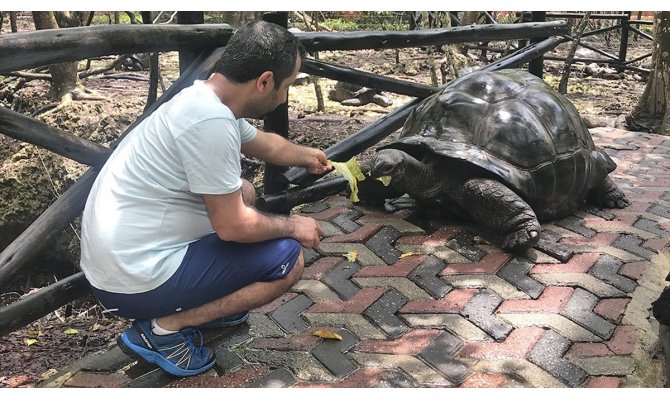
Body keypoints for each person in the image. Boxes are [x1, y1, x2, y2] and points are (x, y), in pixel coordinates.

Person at [79, 20, 331, 377]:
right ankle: (162, 331)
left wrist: (307, 155)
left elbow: (266, 144)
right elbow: (233, 227)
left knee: (243, 191)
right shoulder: (209, 123)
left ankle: (213, 302)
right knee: (287, 258)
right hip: (130, 282)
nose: (285, 96)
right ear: (264, 81)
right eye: (286, 85)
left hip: (121, 264)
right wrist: (294, 224)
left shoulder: (204, 100)